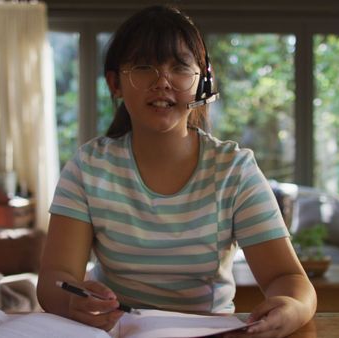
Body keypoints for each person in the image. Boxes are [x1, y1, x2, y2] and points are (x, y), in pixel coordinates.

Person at [37, 5, 316, 337]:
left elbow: (289, 279)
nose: (162, 82)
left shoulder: (233, 170)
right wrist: (73, 302)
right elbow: (56, 279)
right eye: (144, 67)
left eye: (180, 68)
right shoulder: (88, 167)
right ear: (115, 83)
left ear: (203, 82)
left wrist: (292, 307)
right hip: (115, 331)